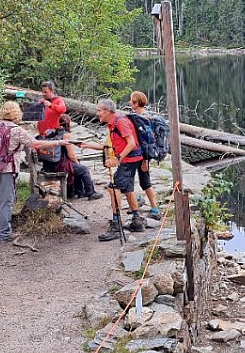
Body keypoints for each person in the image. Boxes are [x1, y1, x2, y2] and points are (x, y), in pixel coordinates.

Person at [0, 101, 68, 242]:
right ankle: (4, 233)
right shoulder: (16, 130)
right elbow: (36, 143)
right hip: (7, 169)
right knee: (5, 202)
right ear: (16, 113)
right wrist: (58, 143)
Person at [78, 98, 146, 241]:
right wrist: (87, 145)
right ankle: (137, 220)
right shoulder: (112, 124)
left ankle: (116, 225)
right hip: (130, 160)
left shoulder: (120, 122)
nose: (97, 114)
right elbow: (109, 146)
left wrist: (117, 159)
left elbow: (131, 143)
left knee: (113, 188)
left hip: (129, 160)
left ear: (108, 111)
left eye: (99, 110)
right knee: (127, 189)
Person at [50, 114, 103, 201]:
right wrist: (76, 162)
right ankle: (91, 193)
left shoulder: (54, 133)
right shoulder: (66, 135)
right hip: (62, 164)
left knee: (78, 168)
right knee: (84, 169)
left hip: (53, 163)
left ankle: (79, 192)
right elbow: (71, 155)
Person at [128, 91, 162, 220]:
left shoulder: (142, 119)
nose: (130, 102)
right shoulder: (141, 117)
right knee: (132, 180)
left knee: (145, 182)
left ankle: (154, 208)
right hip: (137, 153)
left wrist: (145, 160)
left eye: (132, 101)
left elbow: (147, 141)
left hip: (142, 155)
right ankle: (137, 201)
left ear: (137, 103)